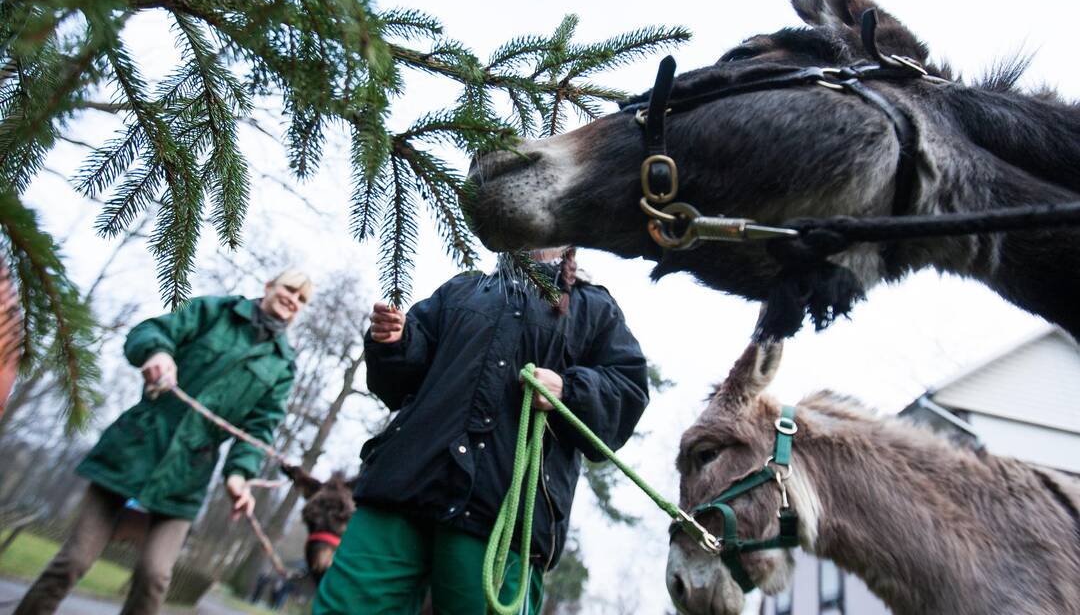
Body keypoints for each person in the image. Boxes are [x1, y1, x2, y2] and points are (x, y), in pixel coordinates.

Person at [313, 248, 648, 614]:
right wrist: (394, 342)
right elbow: (398, 384)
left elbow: (628, 390)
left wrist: (568, 391)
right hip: (403, 488)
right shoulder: (462, 290)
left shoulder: (593, 308)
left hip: (504, 517)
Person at [15, 270, 314, 615]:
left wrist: (238, 475)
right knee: (73, 561)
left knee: (154, 575)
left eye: (302, 298)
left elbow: (260, 429)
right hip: (133, 449)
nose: (293, 299)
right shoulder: (213, 312)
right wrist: (157, 353)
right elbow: (149, 331)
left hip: (186, 476)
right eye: (290, 289)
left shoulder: (282, 366)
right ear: (269, 286)